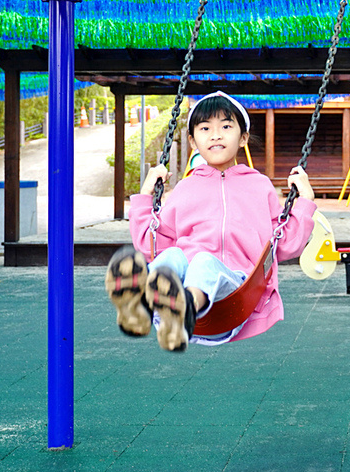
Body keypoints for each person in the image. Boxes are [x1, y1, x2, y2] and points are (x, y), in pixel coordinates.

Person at [105, 91, 317, 352]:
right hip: (187, 280)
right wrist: (145, 197)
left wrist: (304, 201)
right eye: (205, 128)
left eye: (226, 126)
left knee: (204, 262)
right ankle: (144, 303)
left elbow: (284, 245)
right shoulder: (185, 188)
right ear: (193, 141)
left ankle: (184, 308)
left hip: (238, 288)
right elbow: (153, 244)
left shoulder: (260, 187)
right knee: (172, 255)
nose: (215, 135)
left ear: (243, 138)